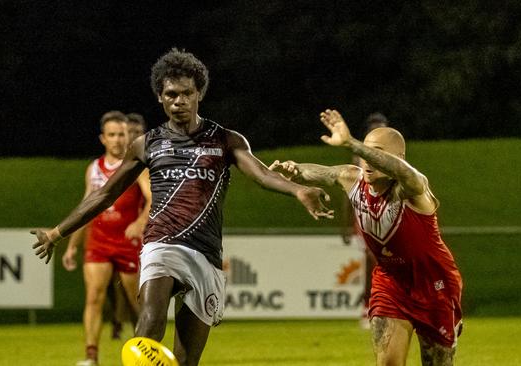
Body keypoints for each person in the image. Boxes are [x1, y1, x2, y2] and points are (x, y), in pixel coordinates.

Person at [31, 48, 334, 366]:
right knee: (148, 324)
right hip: (161, 245)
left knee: (186, 359)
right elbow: (104, 194)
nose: (179, 101)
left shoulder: (225, 140)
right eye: (171, 94)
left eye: (187, 93)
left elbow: (261, 174)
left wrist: (298, 190)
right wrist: (57, 232)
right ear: (160, 98)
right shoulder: (146, 144)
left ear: (199, 93)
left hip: (206, 255)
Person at [269, 109, 463, 365]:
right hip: (390, 282)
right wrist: (295, 171)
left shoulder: (413, 188)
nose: (367, 159)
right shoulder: (353, 179)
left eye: (377, 152)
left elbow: (406, 173)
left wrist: (352, 143)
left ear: (399, 158)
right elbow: (323, 173)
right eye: (365, 153)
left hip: (434, 284)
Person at [61, 110, 152, 366]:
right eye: (112, 135)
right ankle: (91, 357)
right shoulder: (94, 169)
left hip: (128, 242)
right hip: (99, 241)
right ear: (103, 138)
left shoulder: (136, 166)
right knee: (94, 296)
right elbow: (86, 207)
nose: (118, 140)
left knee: (137, 304)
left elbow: (152, 200)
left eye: (122, 134)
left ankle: (144, 351)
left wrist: (140, 222)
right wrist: (71, 246)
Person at [340, 112, 390, 330]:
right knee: (372, 259)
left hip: (389, 215)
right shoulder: (358, 157)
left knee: (389, 262)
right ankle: (366, 305)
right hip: (366, 214)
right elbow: (348, 191)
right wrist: (346, 223)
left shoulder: (394, 156)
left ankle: (387, 307)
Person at [106, 112, 149, 340]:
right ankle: (119, 319)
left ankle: (141, 334)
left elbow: (153, 197)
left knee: (136, 288)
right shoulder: (124, 162)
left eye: (135, 132)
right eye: (127, 133)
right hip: (119, 232)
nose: (130, 137)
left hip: (148, 232)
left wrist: (141, 220)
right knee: (116, 284)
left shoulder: (148, 159)